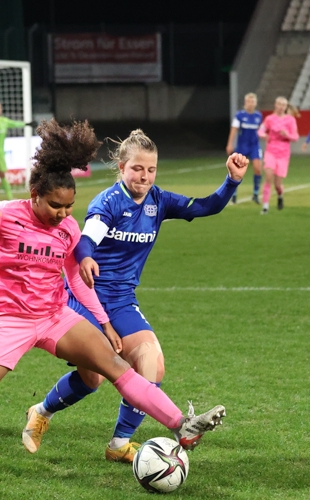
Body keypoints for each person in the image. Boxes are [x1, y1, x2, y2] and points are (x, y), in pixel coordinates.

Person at [0, 120, 228, 454]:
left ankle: (180, 423)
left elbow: (75, 279)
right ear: (34, 195)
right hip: (9, 322)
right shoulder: (3, 214)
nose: (63, 213)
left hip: (55, 315)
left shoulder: (69, 228)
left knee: (116, 366)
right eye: (55, 206)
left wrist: (104, 323)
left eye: (69, 206)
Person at [19, 128, 247, 463]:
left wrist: (232, 181)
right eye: (137, 168)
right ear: (122, 167)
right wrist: (85, 256)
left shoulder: (159, 201)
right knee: (92, 377)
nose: (145, 176)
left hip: (123, 299)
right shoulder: (108, 203)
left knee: (151, 364)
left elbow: (205, 207)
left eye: (151, 169)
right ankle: (40, 411)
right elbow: (86, 239)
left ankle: (119, 444)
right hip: (85, 297)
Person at [257, 97, 299, 213]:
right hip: (271, 151)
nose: (281, 107)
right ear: (275, 105)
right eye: (279, 104)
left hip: (283, 154)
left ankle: (280, 195)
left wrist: (287, 135)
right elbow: (260, 131)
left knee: (277, 184)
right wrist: (265, 136)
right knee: (268, 176)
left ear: (286, 107)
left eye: (283, 105)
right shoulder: (269, 119)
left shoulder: (290, 120)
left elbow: (295, 137)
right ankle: (265, 206)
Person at [226, 92, 262, 204]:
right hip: (242, 146)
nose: (250, 104)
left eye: (252, 102)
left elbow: (261, 131)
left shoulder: (258, 116)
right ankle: (234, 195)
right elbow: (234, 130)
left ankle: (256, 194)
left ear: (255, 103)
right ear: (245, 103)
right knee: (237, 171)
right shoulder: (239, 115)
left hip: (255, 146)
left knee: (257, 168)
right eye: (248, 101)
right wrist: (229, 143)